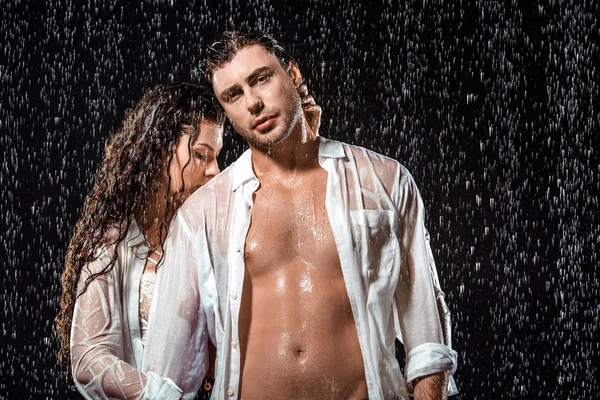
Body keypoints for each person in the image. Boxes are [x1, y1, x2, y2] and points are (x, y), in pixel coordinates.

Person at [153, 31, 458, 399]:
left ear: (293, 75)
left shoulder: (385, 181)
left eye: (261, 78)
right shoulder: (201, 214)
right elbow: (165, 377)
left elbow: (427, 338)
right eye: (233, 95)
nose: (252, 102)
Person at [55, 82, 225, 399]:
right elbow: (88, 357)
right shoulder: (113, 240)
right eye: (202, 155)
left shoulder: (213, 234)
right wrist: (161, 395)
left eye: (217, 156)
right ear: (161, 151)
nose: (216, 170)